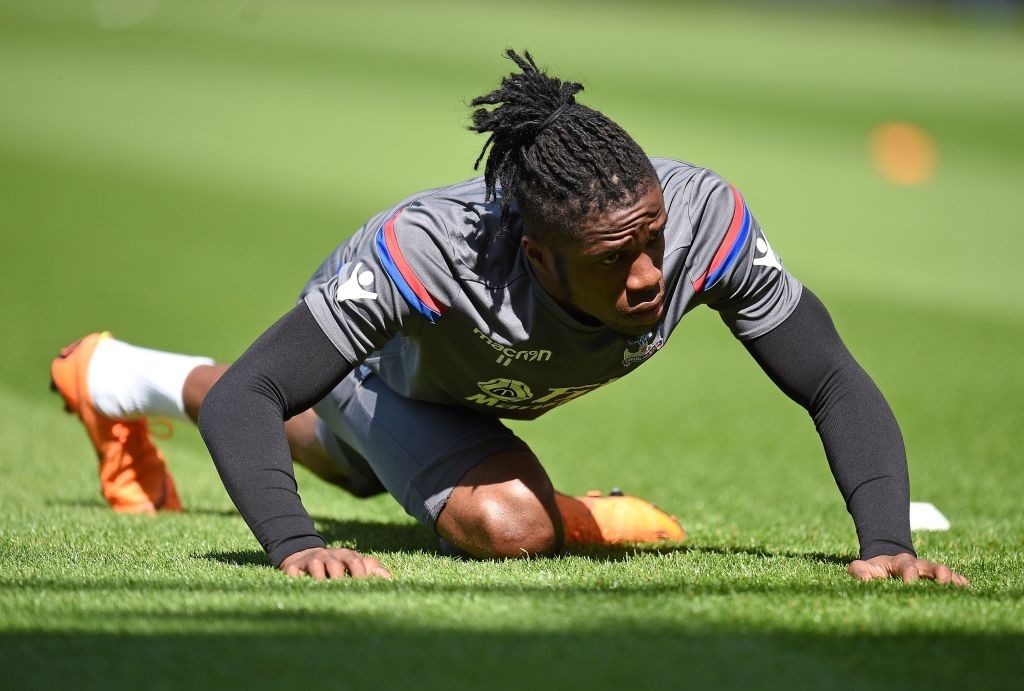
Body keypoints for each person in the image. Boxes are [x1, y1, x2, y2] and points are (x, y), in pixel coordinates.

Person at [51, 50, 967, 586]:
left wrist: (887, 544)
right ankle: (575, 513)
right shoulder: (421, 253)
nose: (651, 276)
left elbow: (832, 376)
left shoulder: (702, 223)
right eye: (614, 259)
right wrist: (298, 547)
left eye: (651, 238)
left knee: (363, 474)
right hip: (380, 366)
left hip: (451, 385)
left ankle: (117, 374)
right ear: (536, 255)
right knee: (510, 525)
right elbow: (256, 390)